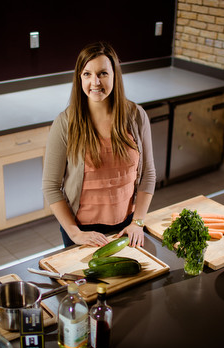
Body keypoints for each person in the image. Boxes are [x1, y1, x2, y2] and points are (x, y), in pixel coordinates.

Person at [42, 41, 156, 249]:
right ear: (79, 78)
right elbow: (50, 186)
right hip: (83, 231)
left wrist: (138, 222)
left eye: (103, 73)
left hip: (127, 226)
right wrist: (75, 233)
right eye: (87, 74)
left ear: (115, 75)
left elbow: (148, 173)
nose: (95, 82)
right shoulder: (65, 123)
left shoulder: (136, 116)